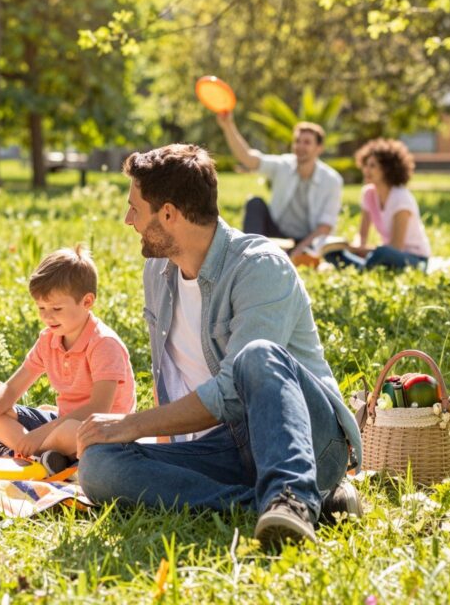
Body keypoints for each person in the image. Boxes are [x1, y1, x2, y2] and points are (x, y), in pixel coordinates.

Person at [75, 144, 363, 550]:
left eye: (135, 209)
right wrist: (136, 443)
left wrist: (134, 424)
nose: (128, 220)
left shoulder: (260, 266)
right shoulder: (158, 271)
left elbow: (232, 392)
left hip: (305, 442)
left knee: (256, 355)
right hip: (219, 448)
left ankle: (295, 498)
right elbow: (170, 372)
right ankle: (264, 507)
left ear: (170, 214)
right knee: (100, 465)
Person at [0, 246, 136, 473]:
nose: (46, 316)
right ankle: (48, 457)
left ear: (87, 302)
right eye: (41, 307)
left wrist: (40, 434)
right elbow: (12, 387)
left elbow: (98, 409)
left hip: (103, 431)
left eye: (56, 308)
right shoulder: (49, 339)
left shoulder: (103, 344)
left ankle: (34, 454)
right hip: (60, 423)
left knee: (68, 432)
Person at [217, 113, 343, 260]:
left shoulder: (332, 180)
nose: (300, 146)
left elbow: (325, 227)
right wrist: (228, 126)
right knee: (255, 203)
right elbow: (248, 159)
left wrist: (299, 250)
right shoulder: (282, 165)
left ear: (319, 148)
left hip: (307, 239)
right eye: (297, 141)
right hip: (277, 231)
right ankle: (249, 257)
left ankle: (282, 254)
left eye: (307, 142)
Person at [325, 138, 431, 271]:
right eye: (365, 165)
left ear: (387, 169)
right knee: (332, 254)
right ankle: (363, 268)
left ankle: (361, 268)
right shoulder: (368, 194)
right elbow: (362, 235)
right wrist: (354, 247)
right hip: (384, 255)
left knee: (382, 252)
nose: (366, 170)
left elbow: (396, 247)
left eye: (372, 166)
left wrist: (365, 249)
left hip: (414, 258)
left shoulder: (401, 197)